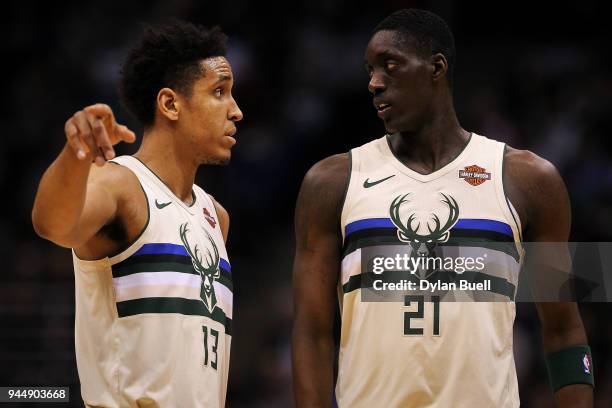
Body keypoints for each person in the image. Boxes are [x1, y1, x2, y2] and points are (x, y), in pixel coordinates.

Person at [292, 9, 594, 407]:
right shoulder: (328, 181)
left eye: (390, 65)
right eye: (369, 70)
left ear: (437, 68)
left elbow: (565, 331)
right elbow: (310, 333)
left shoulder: (534, 179)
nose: (374, 83)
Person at [32, 21, 242, 407]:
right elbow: (52, 225)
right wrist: (76, 153)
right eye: (219, 92)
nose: (236, 111)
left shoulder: (216, 216)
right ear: (170, 104)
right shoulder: (121, 185)